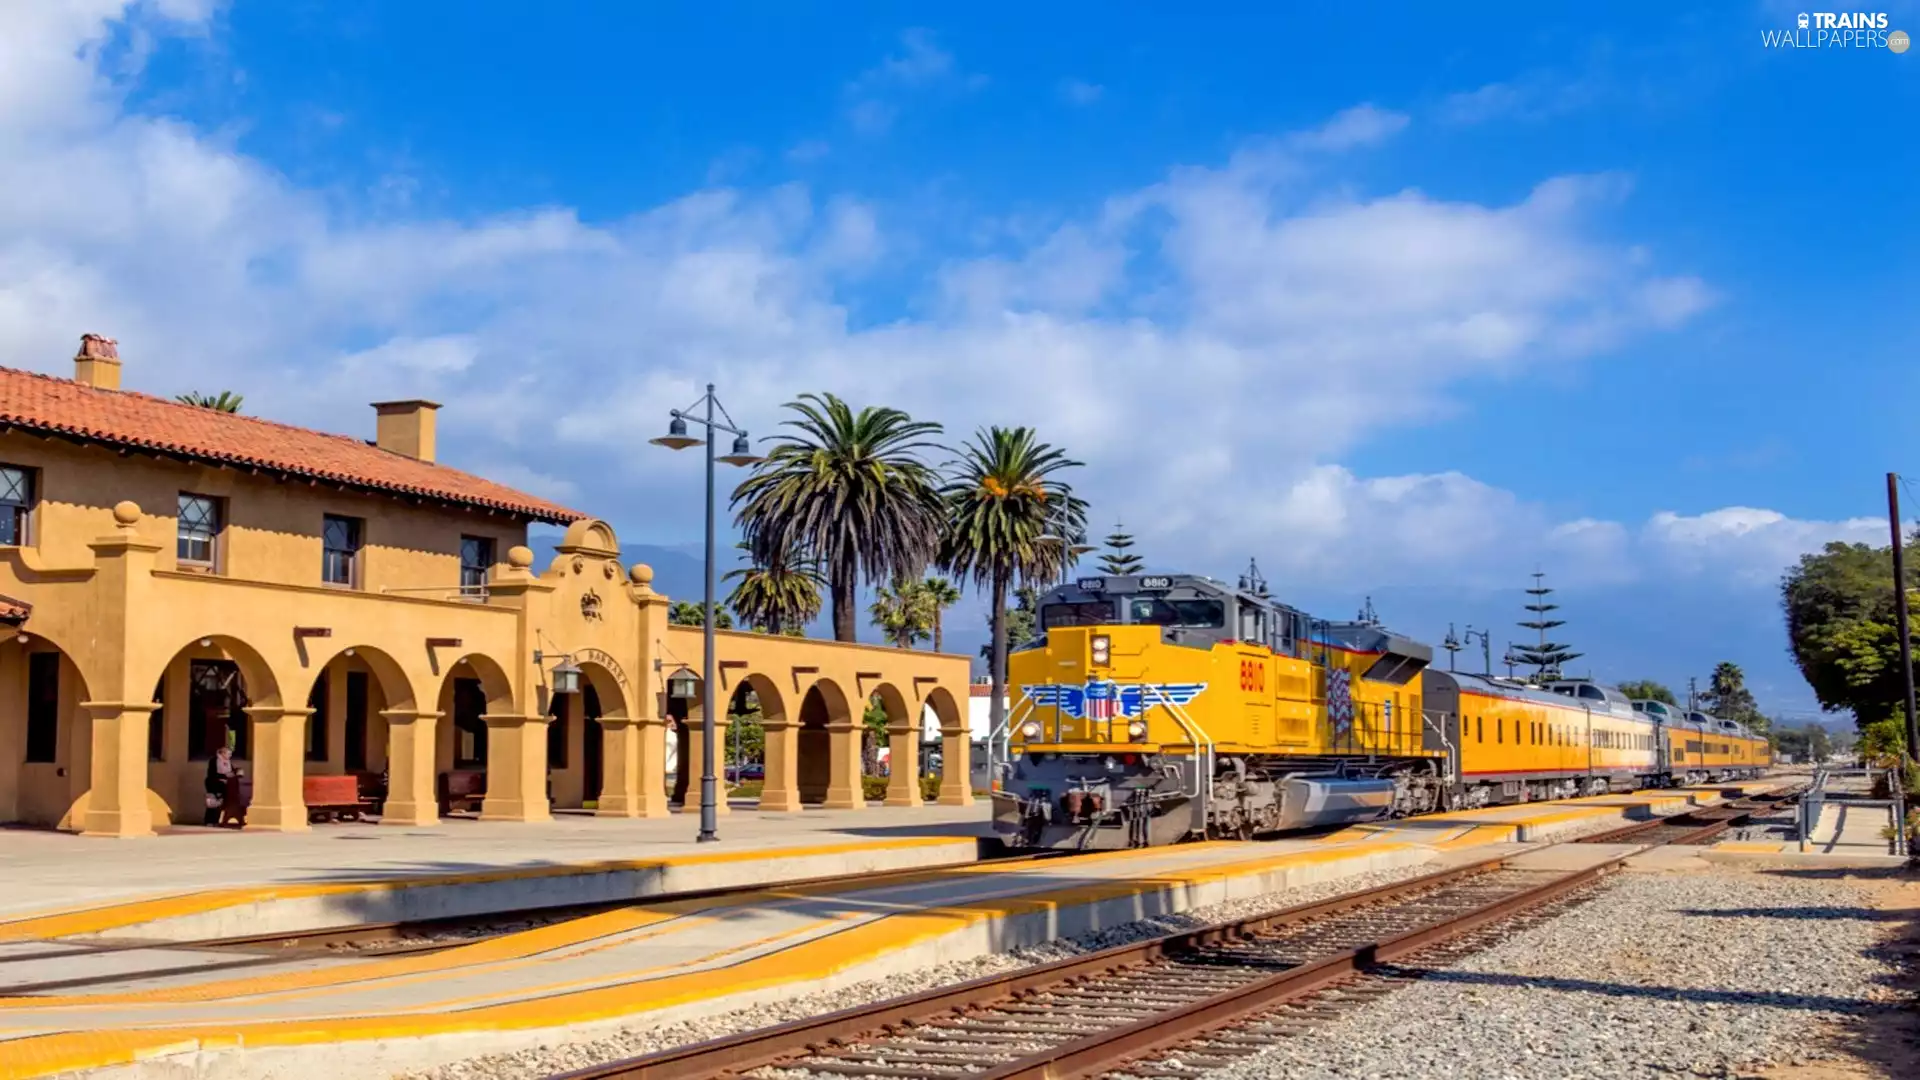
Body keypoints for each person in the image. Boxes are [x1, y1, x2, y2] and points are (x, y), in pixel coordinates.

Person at [204, 745, 236, 827]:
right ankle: (209, 821)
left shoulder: (228, 762)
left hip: (223, 785)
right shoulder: (214, 761)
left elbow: (232, 771)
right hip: (213, 784)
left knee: (219, 804)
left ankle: (216, 821)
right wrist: (225, 776)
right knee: (212, 803)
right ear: (223, 753)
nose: (230, 756)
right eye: (228, 754)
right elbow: (212, 774)